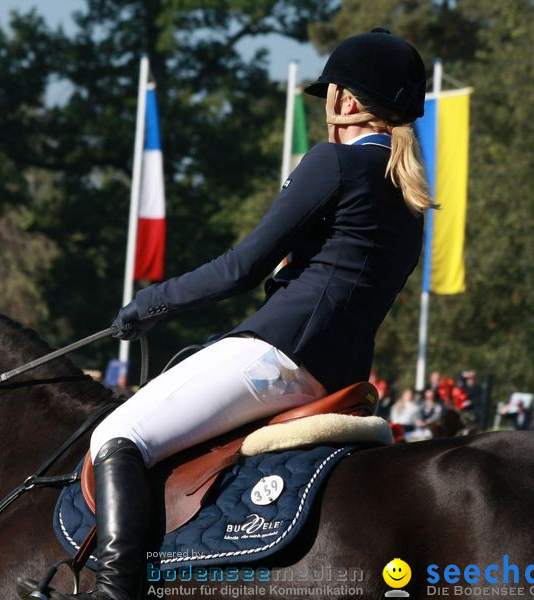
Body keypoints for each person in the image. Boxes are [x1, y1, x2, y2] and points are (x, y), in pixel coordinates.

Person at [72, 29, 429, 600]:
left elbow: (241, 268)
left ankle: (116, 593)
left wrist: (152, 301)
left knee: (118, 433)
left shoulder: (334, 163)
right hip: (341, 373)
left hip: (279, 354)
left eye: (330, 93)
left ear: (346, 101)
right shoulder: (409, 194)